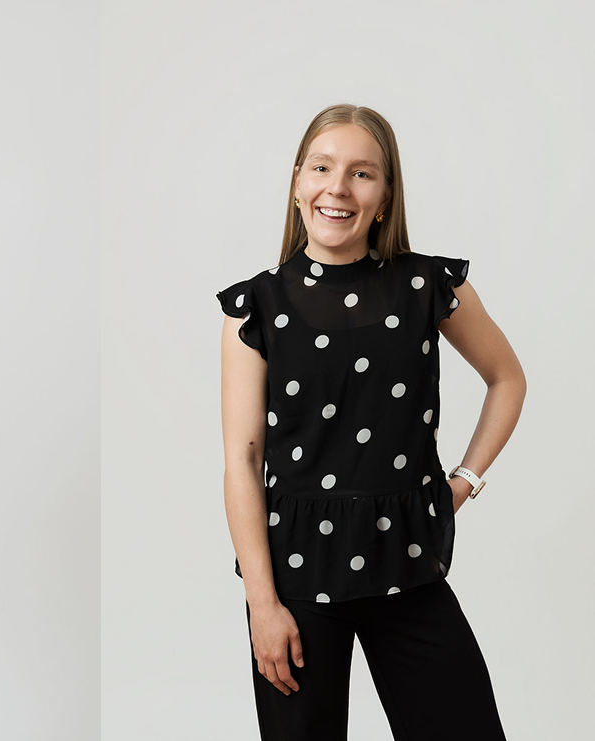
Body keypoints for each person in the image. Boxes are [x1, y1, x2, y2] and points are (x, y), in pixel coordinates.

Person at [218, 104, 526, 740]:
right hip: (296, 579)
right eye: (323, 168)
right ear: (298, 180)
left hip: (408, 565)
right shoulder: (257, 306)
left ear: (386, 195)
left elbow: (507, 378)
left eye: (362, 173)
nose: (338, 187)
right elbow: (244, 461)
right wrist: (262, 605)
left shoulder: (429, 285)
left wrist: (463, 481)